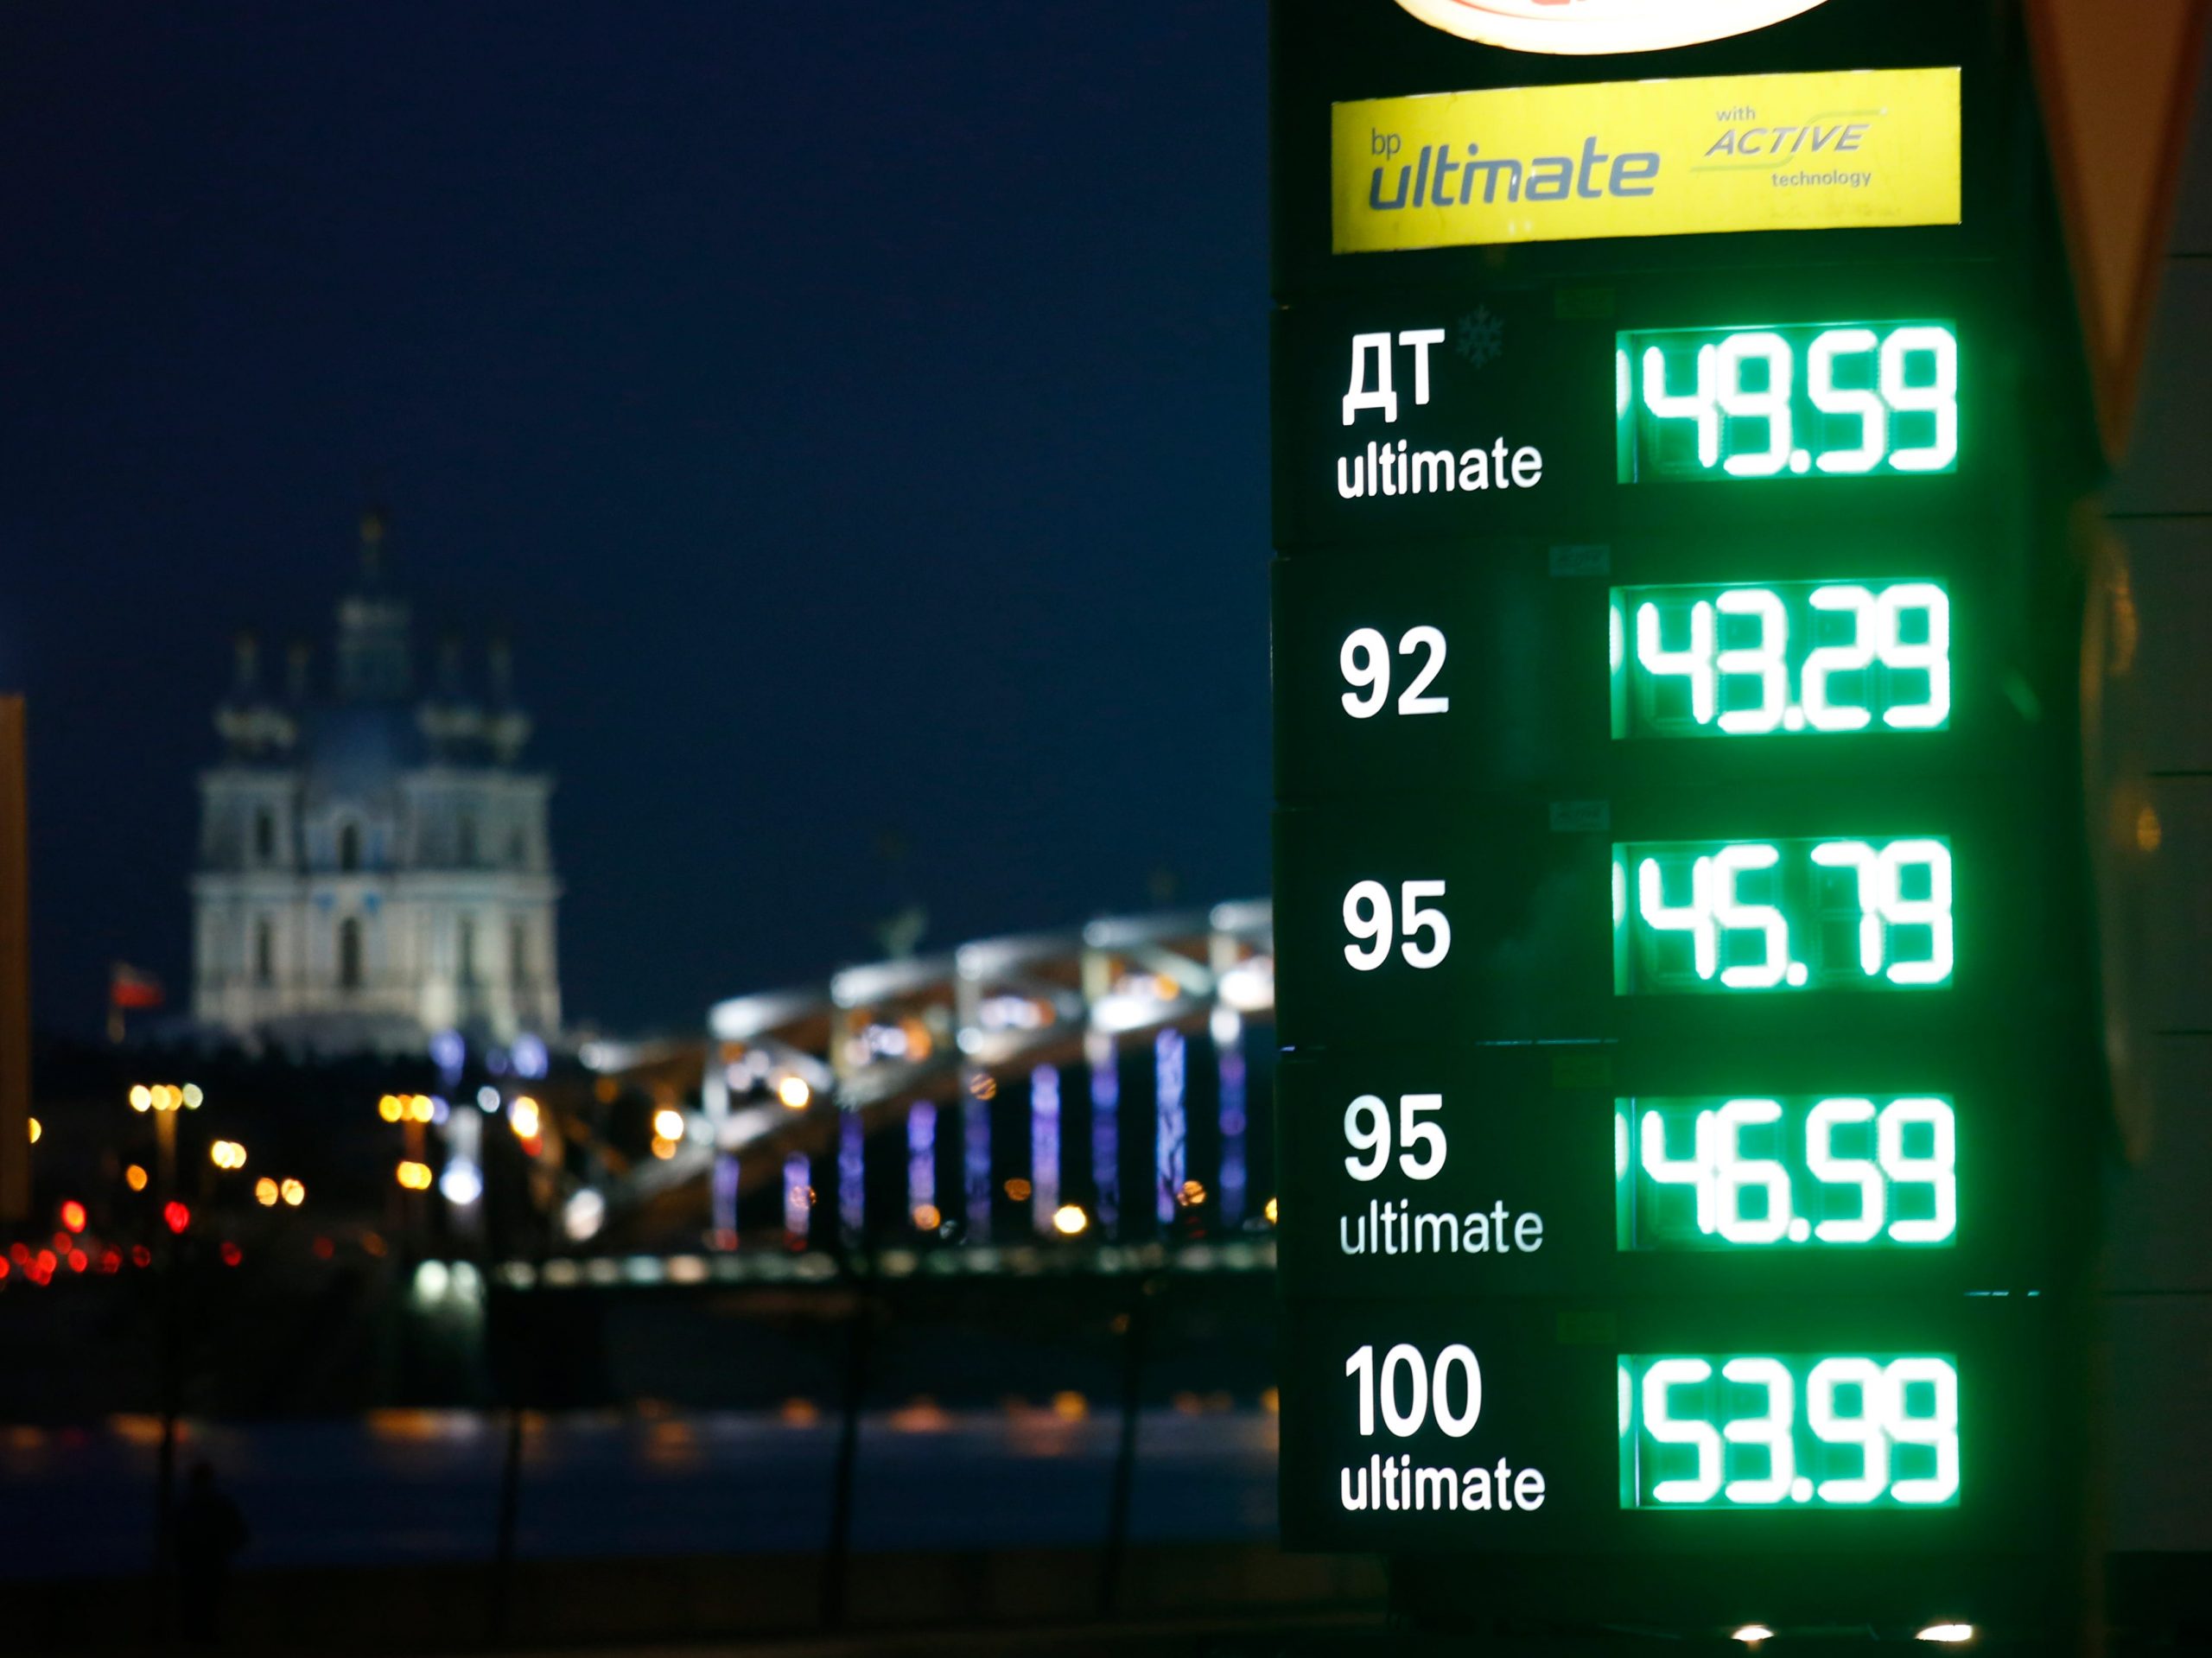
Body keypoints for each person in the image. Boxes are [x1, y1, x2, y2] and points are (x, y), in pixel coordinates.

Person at [172, 1461, 249, 1643]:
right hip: (211, 1565)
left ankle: (200, 1641)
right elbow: (240, 1534)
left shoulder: (188, 1507)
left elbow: (174, 1536)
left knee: (197, 1609)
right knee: (210, 1608)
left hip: (196, 1566)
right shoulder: (218, 1506)